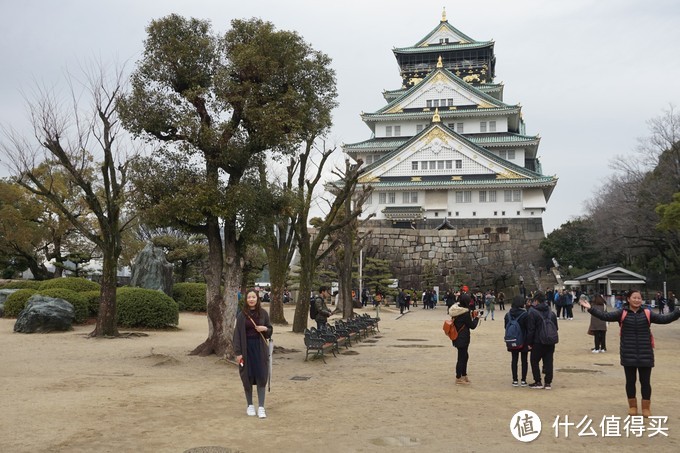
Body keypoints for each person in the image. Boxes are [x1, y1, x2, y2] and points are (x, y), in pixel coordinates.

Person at [580, 289, 680, 417]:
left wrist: (677, 312)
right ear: (628, 299)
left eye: (639, 298)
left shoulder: (647, 313)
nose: (637, 300)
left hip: (645, 353)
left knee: (645, 382)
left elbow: (664, 319)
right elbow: (605, 316)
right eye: (634, 297)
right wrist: (591, 308)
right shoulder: (622, 313)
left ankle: (646, 407)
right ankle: (632, 406)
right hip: (628, 352)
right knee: (630, 381)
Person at [233, 289, 273, 419]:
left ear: (257, 298)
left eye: (253, 297)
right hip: (246, 349)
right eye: (249, 297)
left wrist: (265, 328)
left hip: (260, 349)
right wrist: (238, 353)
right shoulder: (241, 315)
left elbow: (270, 329)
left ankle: (261, 407)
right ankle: (250, 405)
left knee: (261, 375)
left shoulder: (263, 313)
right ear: (246, 299)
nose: (251, 299)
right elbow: (237, 335)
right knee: (247, 377)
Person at [526, 291, 558, 390]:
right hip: (550, 340)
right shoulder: (551, 312)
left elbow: (530, 329)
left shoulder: (532, 312)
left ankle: (538, 381)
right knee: (548, 361)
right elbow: (556, 327)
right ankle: (548, 382)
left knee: (534, 361)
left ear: (536, 301)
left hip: (538, 341)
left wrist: (529, 343)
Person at [448, 293, 480, 385]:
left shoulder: (456, 310)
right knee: (462, 358)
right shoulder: (465, 313)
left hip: (457, 336)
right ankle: (458, 378)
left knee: (464, 356)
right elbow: (472, 326)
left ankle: (464, 375)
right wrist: (477, 318)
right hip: (463, 337)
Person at [505, 295, 529, 387]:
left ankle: (515, 380)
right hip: (524, 339)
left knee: (514, 360)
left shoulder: (508, 315)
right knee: (524, 360)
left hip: (512, 339)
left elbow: (506, 327)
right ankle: (523, 380)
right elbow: (529, 328)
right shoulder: (525, 314)